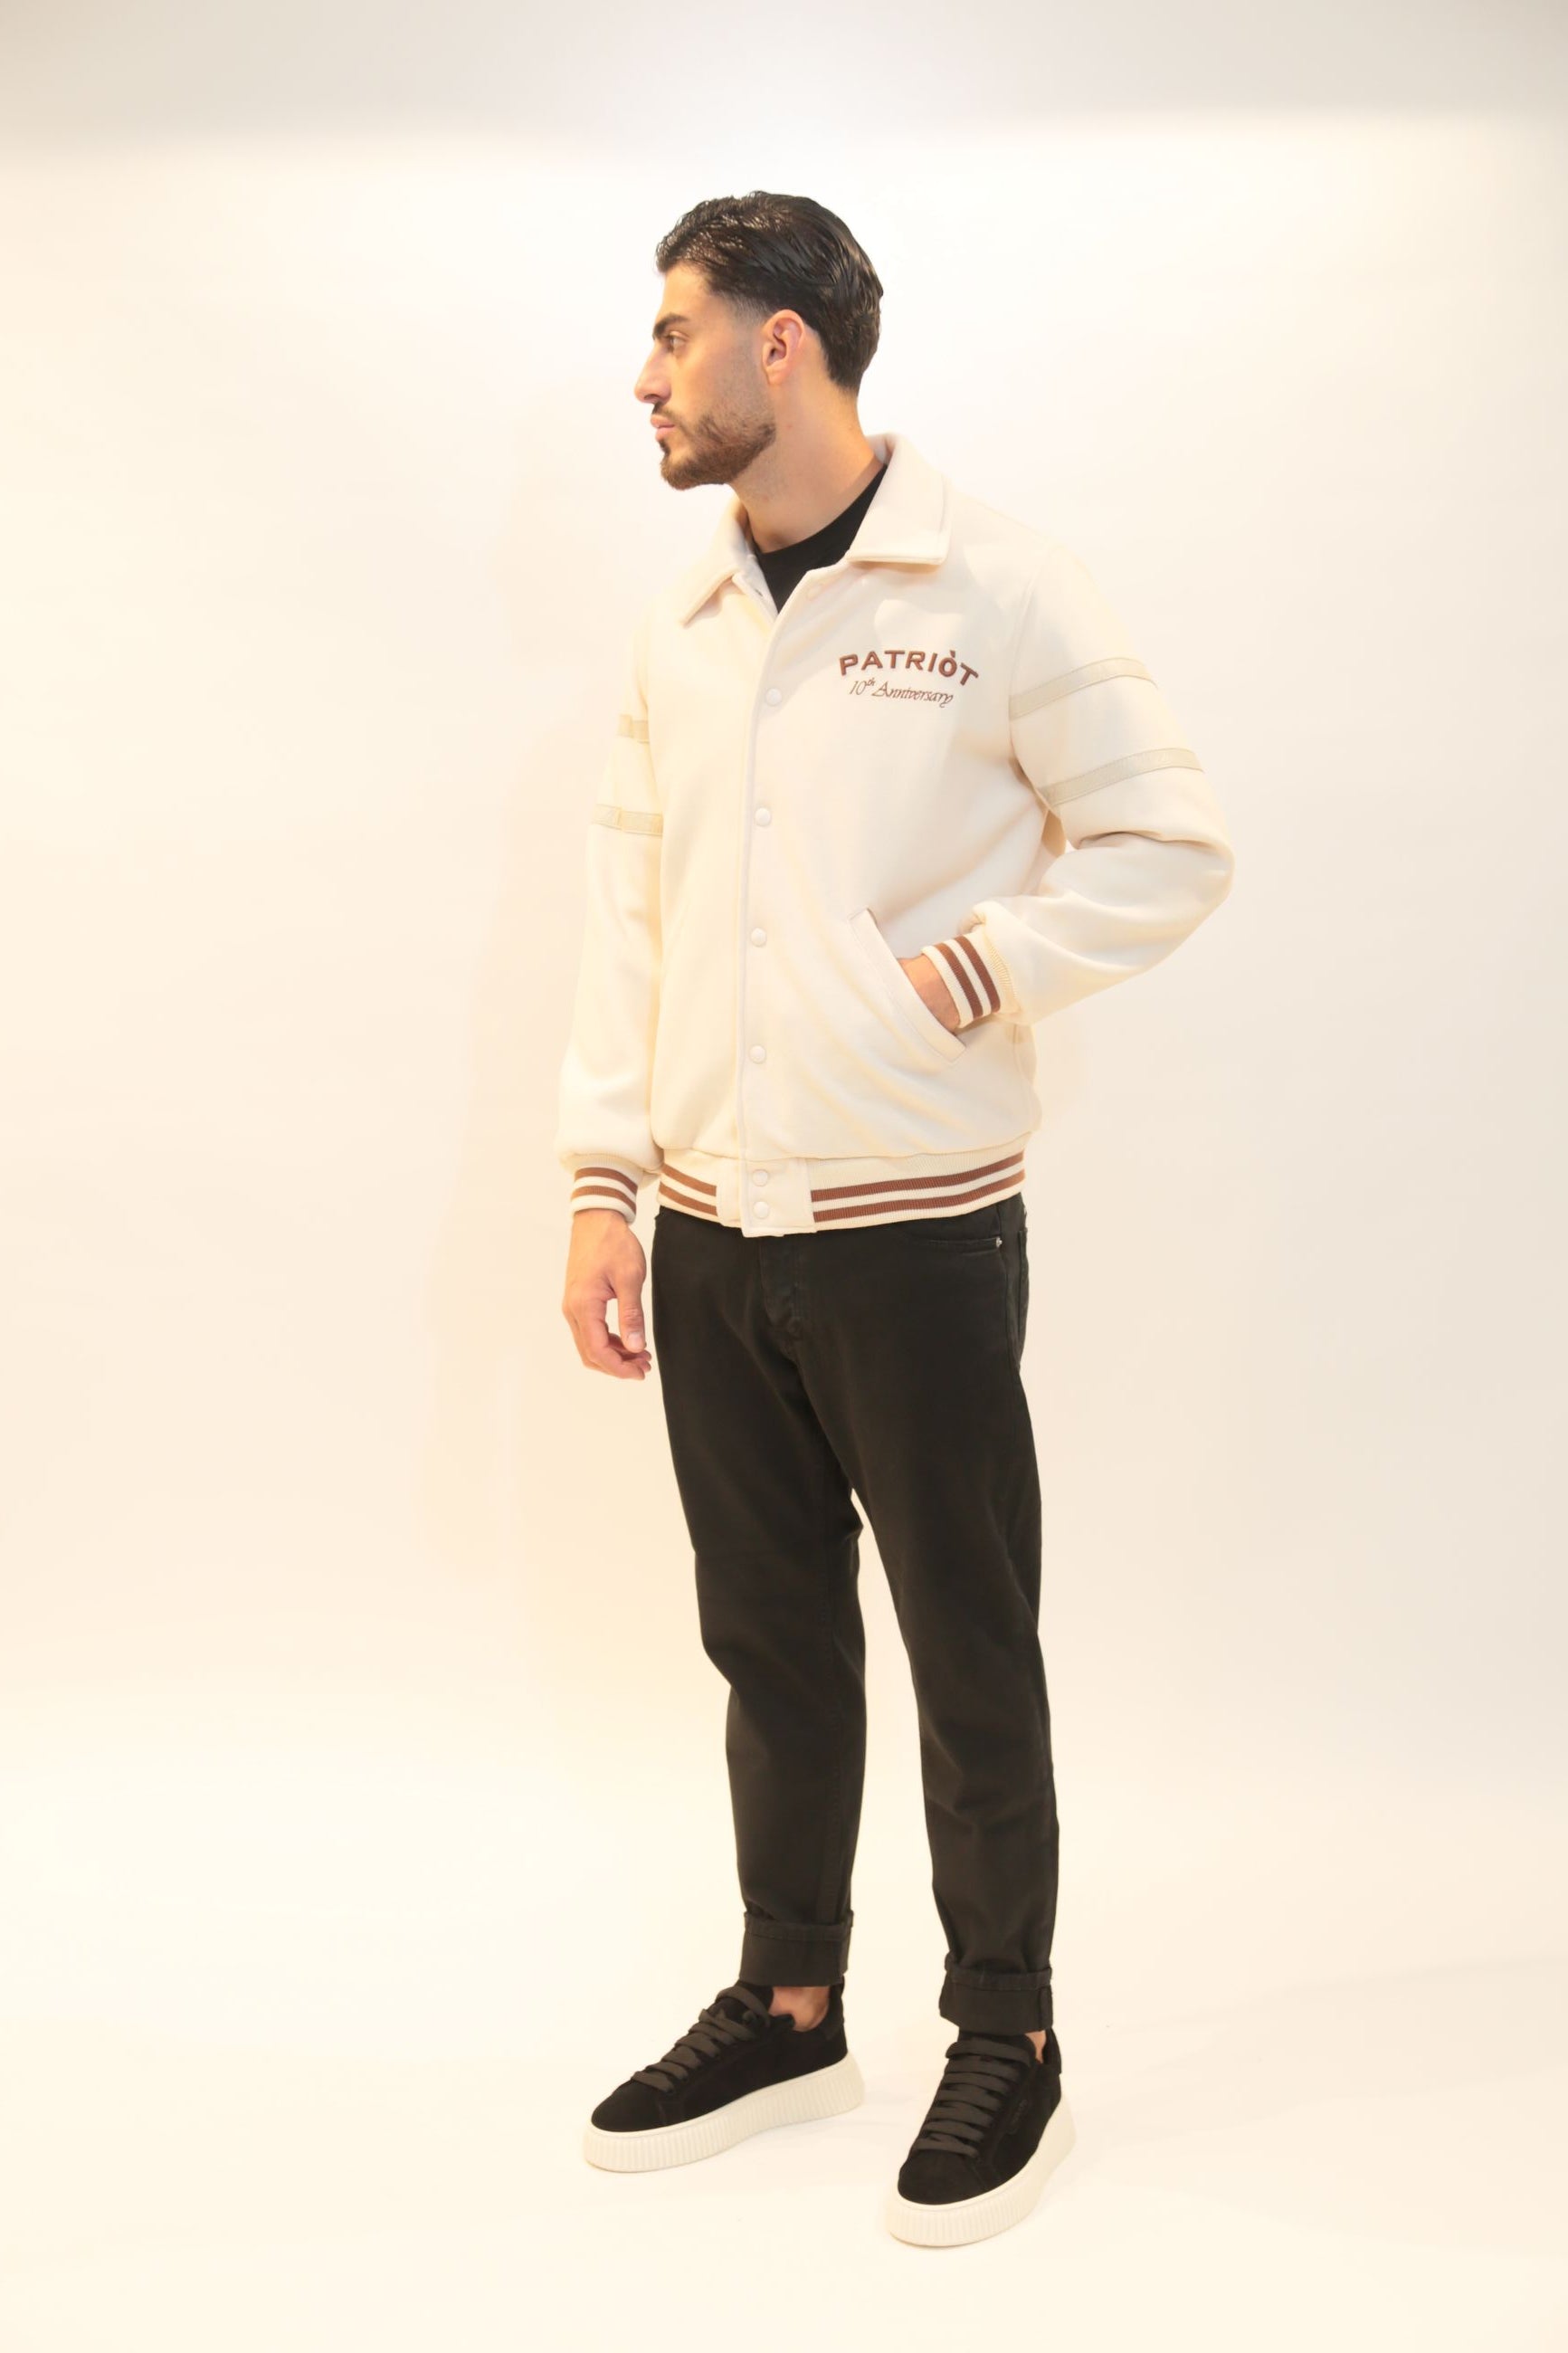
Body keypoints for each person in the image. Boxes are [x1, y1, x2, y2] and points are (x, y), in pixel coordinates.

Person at [556, 190, 1235, 2247]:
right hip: (710, 1224)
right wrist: (601, 1182)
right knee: (765, 1636)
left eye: (674, 331)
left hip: (914, 1229)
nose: (645, 375)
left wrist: (966, 973)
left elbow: (1169, 837)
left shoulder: (996, 583)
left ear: (784, 343)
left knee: (965, 1634)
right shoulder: (682, 625)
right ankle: (790, 2003)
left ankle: (1007, 2028)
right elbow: (631, 918)